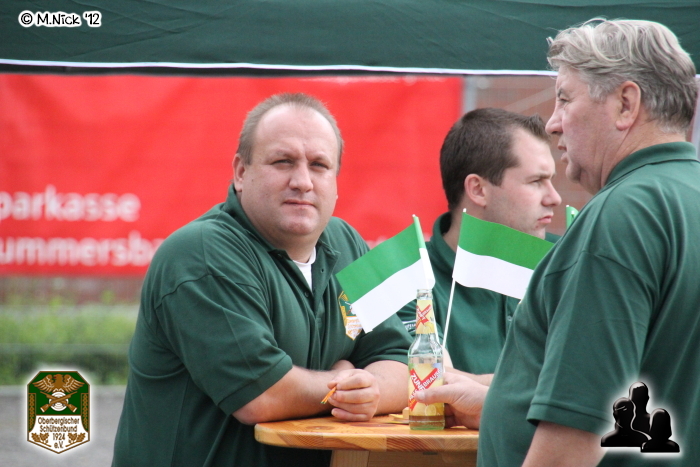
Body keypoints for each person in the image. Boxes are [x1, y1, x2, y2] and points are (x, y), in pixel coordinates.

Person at [419, 18, 700, 467]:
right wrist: (500, 408)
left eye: (565, 99)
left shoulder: (622, 215)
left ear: (626, 104)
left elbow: (574, 436)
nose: (552, 123)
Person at [112, 93, 412, 467]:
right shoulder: (200, 254)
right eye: (283, 161)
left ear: (335, 181)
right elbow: (261, 396)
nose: (302, 181)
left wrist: (370, 389)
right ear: (241, 172)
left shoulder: (349, 243)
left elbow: (408, 364)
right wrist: (342, 383)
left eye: (319, 165)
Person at [398, 108, 561, 388]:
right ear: (477, 189)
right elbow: (422, 379)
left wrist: (473, 384)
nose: (554, 198)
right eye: (536, 181)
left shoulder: (566, 259)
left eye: (551, 180)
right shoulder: (407, 274)